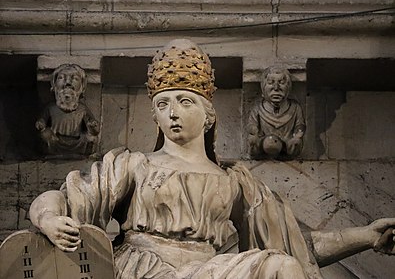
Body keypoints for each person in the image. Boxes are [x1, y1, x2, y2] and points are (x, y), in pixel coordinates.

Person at [30, 39, 394, 279]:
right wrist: (47, 219)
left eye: (184, 101)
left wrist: (366, 236)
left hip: (208, 270)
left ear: (208, 115)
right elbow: (65, 196)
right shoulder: (133, 164)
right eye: (162, 104)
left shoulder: (235, 182)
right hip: (141, 268)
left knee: (283, 266)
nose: (172, 113)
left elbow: (300, 245)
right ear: (154, 117)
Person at [35, 64, 99, 156]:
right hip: (55, 140)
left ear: (82, 88)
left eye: (75, 79)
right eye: (61, 78)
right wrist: (40, 124)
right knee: (45, 135)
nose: (68, 82)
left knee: (91, 138)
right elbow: (42, 120)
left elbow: (93, 127)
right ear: (54, 85)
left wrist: (92, 126)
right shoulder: (51, 107)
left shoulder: (82, 109)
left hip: (78, 142)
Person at [248, 66, 305, 159]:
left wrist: (298, 135)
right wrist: (254, 132)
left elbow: (300, 125)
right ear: (263, 88)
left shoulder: (295, 108)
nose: (276, 88)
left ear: (289, 88)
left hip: (287, 145)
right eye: (270, 83)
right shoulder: (258, 108)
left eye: (282, 82)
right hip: (264, 142)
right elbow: (252, 125)